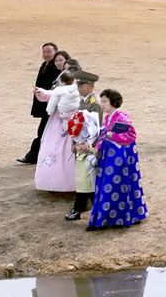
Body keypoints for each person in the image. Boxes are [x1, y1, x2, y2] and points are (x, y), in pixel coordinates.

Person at [87, 88, 148, 229]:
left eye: (104, 102)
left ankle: (118, 217)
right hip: (109, 155)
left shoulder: (122, 117)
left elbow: (131, 135)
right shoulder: (108, 118)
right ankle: (109, 217)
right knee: (109, 185)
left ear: (113, 102)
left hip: (120, 156)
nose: (102, 104)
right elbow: (104, 136)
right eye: (101, 101)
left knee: (116, 185)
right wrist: (98, 147)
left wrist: (111, 136)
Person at [65, 71, 102, 220]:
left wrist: (88, 146)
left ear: (91, 85)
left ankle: (80, 209)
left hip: (88, 146)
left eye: (82, 85)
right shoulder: (85, 101)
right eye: (78, 85)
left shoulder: (94, 103)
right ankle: (88, 209)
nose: (79, 88)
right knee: (84, 179)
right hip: (83, 144)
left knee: (87, 179)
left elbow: (96, 128)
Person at [36, 68, 79, 192]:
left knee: (54, 149)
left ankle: (53, 182)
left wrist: (49, 111)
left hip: (58, 123)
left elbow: (50, 100)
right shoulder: (76, 90)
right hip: (73, 123)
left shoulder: (58, 91)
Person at [19, 42, 60, 164]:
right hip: (44, 104)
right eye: (44, 52)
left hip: (51, 106)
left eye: (49, 52)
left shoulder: (56, 68)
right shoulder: (45, 65)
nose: (46, 54)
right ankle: (36, 156)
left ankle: (34, 156)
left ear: (55, 52)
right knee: (43, 131)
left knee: (43, 131)